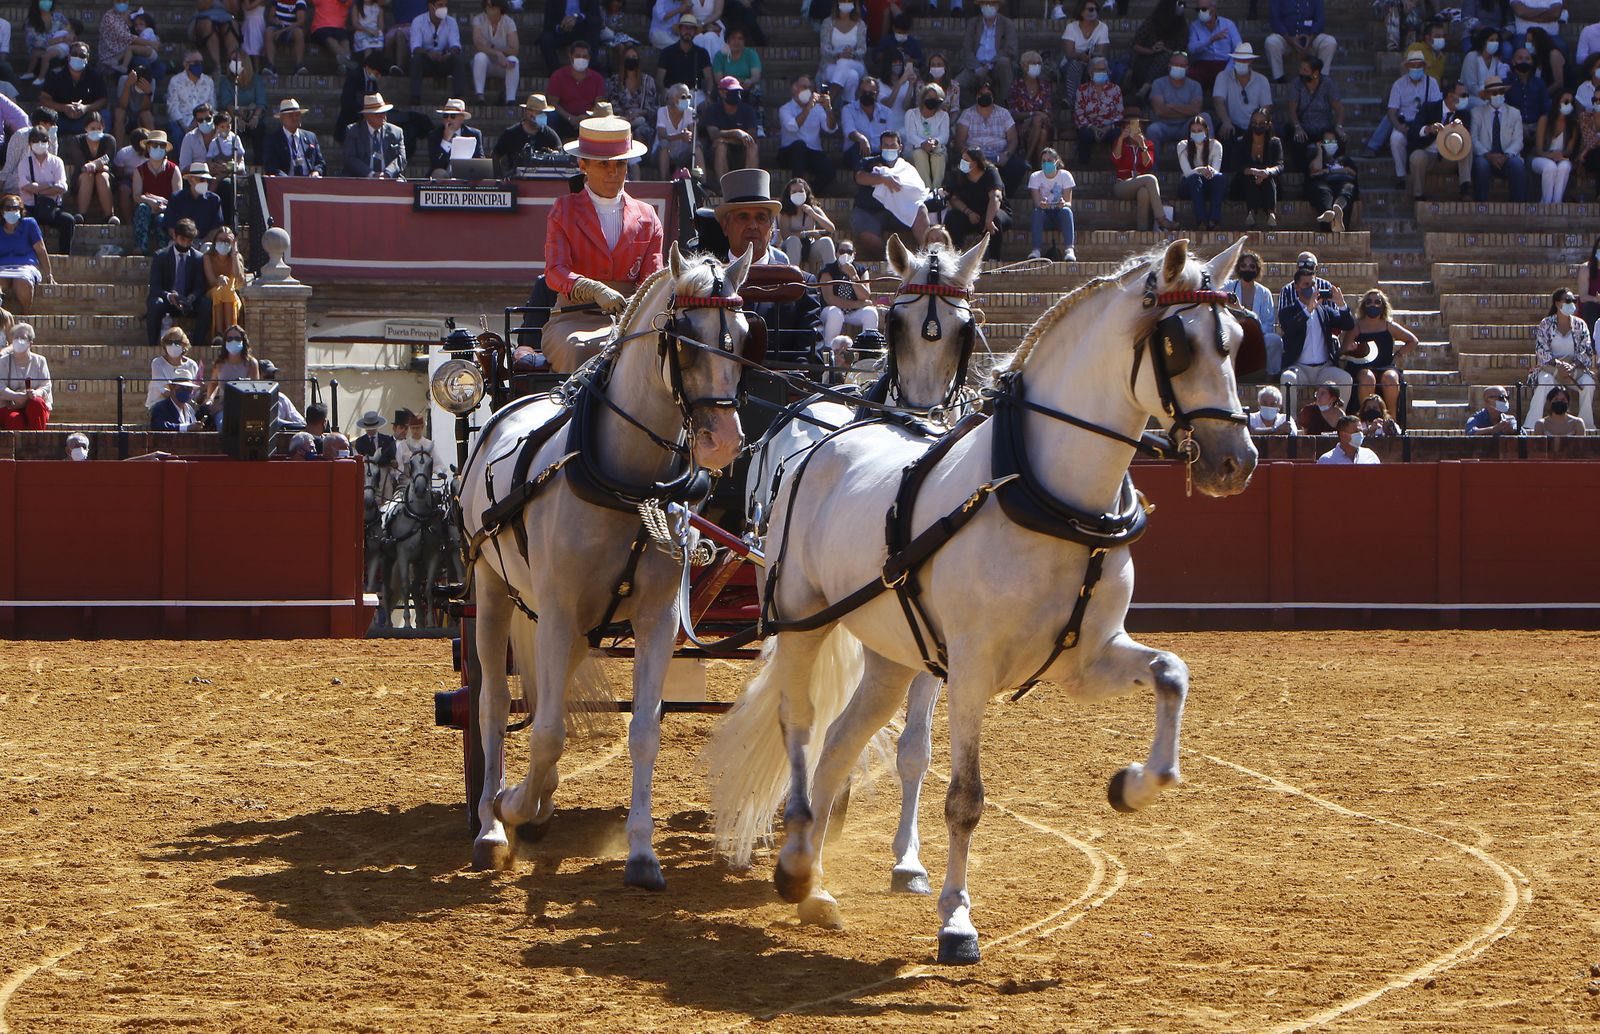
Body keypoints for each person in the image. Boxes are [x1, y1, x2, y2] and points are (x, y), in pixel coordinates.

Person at [533, 115, 661, 373]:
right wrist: (593, 289)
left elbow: (653, 278)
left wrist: (636, 305)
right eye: (604, 164)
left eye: (621, 164)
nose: (614, 173)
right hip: (572, 319)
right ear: (583, 165)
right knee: (576, 349)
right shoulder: (563, 210)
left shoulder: (648, 216)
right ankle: (572, 414)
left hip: (631, 322)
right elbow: (554, 271)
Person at [712, 167, 822, 365]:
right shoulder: (706, 283)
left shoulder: (802, 284)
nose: (753, 225)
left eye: (761, 218)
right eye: (743, 217)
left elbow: (809, 356)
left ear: (772, 228)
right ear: (725, 226)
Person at [1279, 257, 1354, 394]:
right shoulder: (1288, 311)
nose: (1310, 288)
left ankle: (1338, 415)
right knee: (1287, 379)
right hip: (1299, 368)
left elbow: (1348, 324)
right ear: (1296, 286)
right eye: (1305, 284)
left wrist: (1341, 304)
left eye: (1312, 284)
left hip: (1324, 369)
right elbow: (1289, 327)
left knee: (1345, 379)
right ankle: (1289, 415)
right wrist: (1307, 310)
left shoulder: (1324, 310)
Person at [851, 129, 927, 259]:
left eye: (892, 145)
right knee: (866, 237)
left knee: (920, 209)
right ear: (880, 147)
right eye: (886, 145)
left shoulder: (907, 167)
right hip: (870, 211)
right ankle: (893, 259)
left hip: (899, 212)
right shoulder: (869, 162)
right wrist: (883, 179)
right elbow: (860, 178)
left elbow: (917, 190)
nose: (889, 148)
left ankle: (928, 255)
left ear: (900, 147)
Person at [1526, 287, 1596, 429]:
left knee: (1589, 383)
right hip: (1551, 369)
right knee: (1545, 382)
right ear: (1558, 304)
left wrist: (1572, 366)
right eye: (1569, 300)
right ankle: (1531, 426)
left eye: (1574, 300)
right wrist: (1559, 365)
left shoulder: (1580, 324)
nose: (1572, 303)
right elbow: (1541, 350)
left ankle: (1586, 426)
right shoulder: (1546, 323)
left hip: (1573, 370)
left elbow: (1586, 350)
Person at [1342, 288, 1416, 419]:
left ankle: (1391, 420)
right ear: (1364, 305)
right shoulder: (1356, 326)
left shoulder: (1388, 325)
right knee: (1367, 378)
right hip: (1361, 367)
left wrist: (1397, 356)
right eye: (1369, 302)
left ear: (1383, 305)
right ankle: (1364, 419)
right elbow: (1343, 351)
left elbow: (1413, 340)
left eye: (1377, 302)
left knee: (1391, 378)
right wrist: (1352, 349)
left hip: (1385, 365)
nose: (1373, 305)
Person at [951, 78, 1027, 196]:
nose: (984, 96)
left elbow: (1013, 139)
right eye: (981, 94)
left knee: (1018, 167)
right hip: (974, 158)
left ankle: (1003, 196)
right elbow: (960, 140)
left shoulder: (1004, 114)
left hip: (999, 156)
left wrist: (1006, 155)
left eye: (988, 94)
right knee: (959, 168)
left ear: (993, 97)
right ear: (976, 96)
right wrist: (969, 156)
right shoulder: (967, 113)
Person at [146, 218, 211, 348]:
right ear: (175, 236)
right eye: (182, 240)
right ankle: (152, 345)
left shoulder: (198, 258)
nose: (185, 245)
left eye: (189, 241)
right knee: (155, 303)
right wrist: (169, 296)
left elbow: (199, 287)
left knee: (206, 303)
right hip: (167, 302)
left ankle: (197, 344)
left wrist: (191, 298)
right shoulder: (161, 256)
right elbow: (154, 287)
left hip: (188, 302)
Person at [12, 126, 75, 254]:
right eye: (35, 141)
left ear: (49, 142)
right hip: (31, 207)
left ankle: (64, 255)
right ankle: (24, 255)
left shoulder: (57, 162)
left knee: (68, 220)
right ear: (30, 143)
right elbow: (24, 186)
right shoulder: (24, 163)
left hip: (52, 207)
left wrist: (37, 189)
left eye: (43, 140)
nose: (39, 144)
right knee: (21, 221)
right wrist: (50, 185)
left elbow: (62, 187)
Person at [1408, 79, 1473, 200]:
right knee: (1417, 157)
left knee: (1467, 146)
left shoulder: (1465, 114)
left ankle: (1465, 188)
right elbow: (1413, 131)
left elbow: (1466, 137)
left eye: (1466, 95)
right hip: (1429, 156)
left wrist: (1458, 132)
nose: (1465, 98)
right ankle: (1418, 196)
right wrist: (1428, 129)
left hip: (1450, 157)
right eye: (1463, 95)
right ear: (1450, 95)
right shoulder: (1429, 108)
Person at [818, 240, 879, 361]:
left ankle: (868, 353)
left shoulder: (860, 270)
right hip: (830, 312)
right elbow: (830, 299)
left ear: (854, 254)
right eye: (842, 251)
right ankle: (828, 351)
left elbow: (865, 295)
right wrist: (859, 304)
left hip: (852, 313)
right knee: (836, 313)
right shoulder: (827, 271)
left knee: (871, 312)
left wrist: (853, 276)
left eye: (849, 252)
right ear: (836, 254)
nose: (845, 255)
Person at [943, 146, 1008, 260]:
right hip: (970, 214)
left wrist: (988, 220)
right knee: (952, 217)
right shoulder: (958, 174)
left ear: (976, 162)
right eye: (962, 159)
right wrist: (968, 212)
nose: (963, 163)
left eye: (967, 160)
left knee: (995, 220)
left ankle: (994, 258)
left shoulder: (990, 172)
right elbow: (953, 198)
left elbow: (996, 197)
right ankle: (955, 257)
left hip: (991, 212)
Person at [1471, 75, 1529, 201]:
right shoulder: (1477, 113)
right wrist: (1488, 155)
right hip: (1485, 157)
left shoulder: (1514, 113)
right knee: (1480, 165)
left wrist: (1506, 155)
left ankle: (1518, 209)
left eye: (1501, 92)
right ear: (1487, 95)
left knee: (1517, 165)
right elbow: (1473, 139)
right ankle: (1481, 207)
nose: (1498, 95)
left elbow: (1518, 140)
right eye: (1494, 92)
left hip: (1507, 157)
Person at [1225, 249, 1282, 375]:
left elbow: (1268, 323)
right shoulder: (1228, 287)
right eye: (1244, 266)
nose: (1247, 269)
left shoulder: (1264, 293)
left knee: (1275, 340)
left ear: (1257, 270)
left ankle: (1272, 377)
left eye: (1252, 266)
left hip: (1257, 336)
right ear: (1238, 268)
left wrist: (1254, 334)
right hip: (1233, 335)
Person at [1112, 115, 1173, 231]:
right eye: (1128, 127)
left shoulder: (1148, 144)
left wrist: (1142, 145)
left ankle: (1143, 231)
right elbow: (1115, 159)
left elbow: (1148, 165)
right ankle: (1161, 219)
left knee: (1144, 192)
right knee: (1151, 178)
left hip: (1141, 184)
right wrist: (1121, 138)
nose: (1132, 130)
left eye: (1136, 127)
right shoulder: (1120, 142)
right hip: (1122, 185)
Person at [777, 74, 835, 192]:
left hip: (812, 153)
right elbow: (793, 127)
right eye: (804, 87)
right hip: (789, 153)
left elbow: (831, 128)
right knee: (799, 145)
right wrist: (808, 108)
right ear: (794, 88)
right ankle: (796, 190)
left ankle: (808, 195)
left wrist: (828, 109)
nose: (808, 91)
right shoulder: (785, 109)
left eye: (810, 88)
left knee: (829, 171)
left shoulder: (818, 109)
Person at [1228, 107, 1282, 229]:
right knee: (1249, 179)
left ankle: (1271, 213)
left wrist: (1266, 172)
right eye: (1255, 122)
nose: (1257, 125)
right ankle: (1251, 213)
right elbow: (1237, 165)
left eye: (1262, 123)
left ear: (1268, 125)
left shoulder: (1275, 143)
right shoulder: (1241, 142)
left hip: (1267, 182)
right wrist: (1253, 171)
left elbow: (1280, 165)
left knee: (1268, 179)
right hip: (1245, 183)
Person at [1287, 56, 1345, 171]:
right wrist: (1298, 127)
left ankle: (1335, 166)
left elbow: (1339, 108)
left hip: (1324, 125)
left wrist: (1339, 126)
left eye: (1305, 70)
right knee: (1297, 138)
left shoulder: (1328, 83)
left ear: (1315, 73)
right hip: (1304, 125)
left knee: (1339, 139)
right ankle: (1302, 170)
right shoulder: (1296, 83)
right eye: (1301, 69)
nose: (1301, 72)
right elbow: (1292, 109)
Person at [700, 75, 758, 184]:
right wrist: (737, 133)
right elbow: (713, 134)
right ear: (721, 92)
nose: (736, 94)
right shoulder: (713, 110)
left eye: (738, 91)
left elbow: (752, 136)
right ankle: (725, 187)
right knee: (721, 146)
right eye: (732, 91)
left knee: (752, 146)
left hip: (740, 151)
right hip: (717, 154)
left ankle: (749, 187)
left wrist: (728, 139)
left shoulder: (748, 110)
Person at [39, 41, 105, 136]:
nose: (78, 57)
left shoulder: (95, 76)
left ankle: (99, 146)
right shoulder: (54, 74)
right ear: (69, 56)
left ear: (87, 58)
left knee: (105, 114)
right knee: (41, 114)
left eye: (82, 55)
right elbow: (44, 99)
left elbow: (103, 100)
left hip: (86, 119)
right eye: (74, 54)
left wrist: (85, 108)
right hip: (59, 118)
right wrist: (64, 108)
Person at [1148, 53, 1206, 162]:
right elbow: (1159, 111)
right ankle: (1152, 170)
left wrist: (1171, 106)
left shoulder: (1195, 85)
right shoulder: (1158, 83)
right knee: (1152, 130)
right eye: (1176, 64)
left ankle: (1204, 164)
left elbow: (1196, 110)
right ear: (1169, 66)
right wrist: (1186, 109)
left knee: (1204, 117)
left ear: (1187, 68)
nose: (1179, 67)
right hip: (1163, 125)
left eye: (1182, 65)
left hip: (1186, 126)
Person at [1126, 0, 1187, 103]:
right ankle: (1136, 83)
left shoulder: (1182, 27)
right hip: (1145, 62)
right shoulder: (1151, 22)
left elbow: (1180, 54)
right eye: (1179, 4)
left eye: (1183, 4)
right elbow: (1135, 46)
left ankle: (1144, 90)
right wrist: (1151, 50)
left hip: (1166, 66)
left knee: (1165, 56)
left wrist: (1164, 49)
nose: (1182, 7)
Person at [1266, 0, 1338, 84]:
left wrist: (1311, 38)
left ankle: (1321, 78)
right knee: (1271, 42)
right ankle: (1279, 78)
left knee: (1330, 42)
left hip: (1311, 39)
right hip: (1287, 39)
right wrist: (1289, 39)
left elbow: (1320, 19)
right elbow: (1275, 20)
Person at [409, 0, 465, 105]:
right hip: (426, 61)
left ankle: (459, 98)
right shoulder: (418, 21)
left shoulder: (451, 22)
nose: (444, 8)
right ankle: (415, 97)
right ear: (431, 6)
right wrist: (429, 54)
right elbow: (415, 47)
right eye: (440, 5)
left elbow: (456, 46)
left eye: (445, 5)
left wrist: (447, 55)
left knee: (458, 59)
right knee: (416, 59)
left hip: (444, 60)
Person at [203, 324, 261, 426]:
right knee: (223, 425)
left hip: (244, 409)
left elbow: (255, 393)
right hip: (222, 411)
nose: (233, 341)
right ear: (225, 342)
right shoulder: (219, 364)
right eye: (229, 338)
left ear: (243, 341)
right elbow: (213, 384)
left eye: (237, 338)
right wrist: (209, 401)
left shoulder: (251, 364)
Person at [1058, 1, 1109, 116]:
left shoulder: (1102, 27)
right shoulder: (1071, 27)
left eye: (1096, 9)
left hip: (1091, 61)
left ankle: (1102, 99)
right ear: (1081, 11)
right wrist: (1081, 56)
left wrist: (1090, 57)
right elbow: (1069, 53)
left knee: (1099, 63)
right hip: (1072, 62)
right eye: (1090, 9)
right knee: (1075, 64)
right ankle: (1070, 99)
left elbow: (1101, 52)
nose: (1094, 12)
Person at [957, 3, 1016, 101]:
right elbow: (967, 49)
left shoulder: (1007, 23)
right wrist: (978, 68)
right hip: (976, 66)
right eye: (985, 3)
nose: (988, 6)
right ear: (980, 6)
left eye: (992, 3)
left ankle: (1005, 105)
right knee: (957, 85)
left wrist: (988, 66)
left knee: (1004, 62)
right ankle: (975, 108)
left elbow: (1010, 49)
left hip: (996, 65)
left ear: (997, 6)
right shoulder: (974, 23)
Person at [1213, 44, 1272, 143]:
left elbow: (1266, 107)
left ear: (1251, 61)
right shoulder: (1223, 76)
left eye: (1245, 60)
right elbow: (1218, 100)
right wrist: (1226, 121)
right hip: (1232, 125)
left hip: (1255, 126)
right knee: (1225, 133)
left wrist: (1257, 125)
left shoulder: (1262, 80)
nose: (1241, 62)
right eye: (1238, 60)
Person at [343, 93, 406, 179]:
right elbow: (350, 159)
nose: (383, 116)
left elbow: (401, 158)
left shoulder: (396, 132)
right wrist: (371, 174)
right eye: (378, 113)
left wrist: (387, 174)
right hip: (362, 178)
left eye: (384, 112)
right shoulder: (353, 131)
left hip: (390, 178)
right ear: (366, 115)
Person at [1028, 147, 1075, 262]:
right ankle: (1036, 250)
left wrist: (1063, 204)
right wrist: (1041, 204)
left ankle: (1069, 249)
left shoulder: (1065, 175)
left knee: (1066, 211)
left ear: (1056, 161)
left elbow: (1069, 203)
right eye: (1043, 161)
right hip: (1045, 215)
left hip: (1060, 213)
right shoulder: (1035, 177)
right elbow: (1036, 202)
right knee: (1036, 212)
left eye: (1049, 160)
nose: (1046, 163)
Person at [1307, 128, 1358, 232]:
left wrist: (1327, 171)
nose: (1330, 144)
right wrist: (1320, 152)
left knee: (1348, 189)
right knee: (1322, 190)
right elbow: (1315, 170)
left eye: (1333, 141)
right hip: (1324, 182)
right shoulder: (1316, 158)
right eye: (1327, 141)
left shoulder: (1344, 159)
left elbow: (1353, 172)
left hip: (1342, 182)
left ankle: (1338, 208)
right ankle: (1328, 213)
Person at [1178, 114, 1224, 230]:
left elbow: (1216, 170)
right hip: (1189, 185)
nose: (1196, 133)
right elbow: (1188, 173)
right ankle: (1201, 221)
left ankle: (1214, 220)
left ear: (1206, 130)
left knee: (1220, 178)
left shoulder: (1216, 145)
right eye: (1193, 131)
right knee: (1194, 178)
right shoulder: (1183, 145)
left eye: (1199, 130)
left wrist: (1209, 170)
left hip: (1208, 182)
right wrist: (1200, 170)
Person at [0, 321, 49, 429]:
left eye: (22, 337)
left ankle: (38, 440)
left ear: (30, 343)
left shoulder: (40, 361)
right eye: (16, 337)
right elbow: (0, 386)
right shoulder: (3, 361)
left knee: (36, 403)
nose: (19, 340)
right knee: (14, 420)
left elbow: (46, 385)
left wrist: (36, 393)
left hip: (32, 404)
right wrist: (16, 396)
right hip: (11, 406)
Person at [495, 93, 561, 175]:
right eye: (538, 112)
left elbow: (559, 154)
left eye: (542, 113)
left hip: (543, 180)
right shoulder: (511, 133)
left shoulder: (550, 135)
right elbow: (496, 155)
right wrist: (499, 176)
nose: (541, 115)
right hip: (516, 179)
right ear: (528, 112)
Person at [780, 177, 836, 271]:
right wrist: (807, 233)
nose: (798, 194)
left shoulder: (813, 209)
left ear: (806, 192)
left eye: (801, 191)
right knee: (794, 240)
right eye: (794, 192)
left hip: (810, 246)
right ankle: (792, 277)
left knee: (827, 241)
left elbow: (831, 229)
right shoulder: (785, 212)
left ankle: (832, 277)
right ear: (789, 194)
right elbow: (785, 235)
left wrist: (813, 214)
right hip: (791, 248)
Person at [69, 110, 115, 224]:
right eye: (92, 128)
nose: (96, 131)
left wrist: (93, 165)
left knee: (102, 176)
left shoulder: (109, 140)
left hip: (105, 176)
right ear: (86, 128)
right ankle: (81, 214)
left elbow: (107, 158)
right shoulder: (77, 140)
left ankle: (110, 215)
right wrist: (98, 165)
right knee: (87, 176)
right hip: (82, 176)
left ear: (103, 127)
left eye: (99, 128)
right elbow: (82, 164)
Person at [1185, 0, 1242, 93]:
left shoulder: (1228, 24)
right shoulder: (1194, 26)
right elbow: (1191, 49)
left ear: (1214, 8)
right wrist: (1210, 40)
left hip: (1224, 63)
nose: (1200, 12)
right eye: (1198, 9)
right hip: (1203, 65)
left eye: (1204, 9)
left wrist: (1228, 70)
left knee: (1236, 74)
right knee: (1190, 74)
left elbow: (1239, 49)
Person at [842, 75, 895, 171]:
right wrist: (862, 139)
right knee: (858, 147)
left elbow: (890, 136)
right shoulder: (848, 110)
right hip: (856, 153)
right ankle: (862, 178)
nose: (867, 95)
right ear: (858, 93)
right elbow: (849, 131)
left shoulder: (887, 112)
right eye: (864, 92)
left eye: (871, 93)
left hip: (879, 153)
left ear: (877, 94)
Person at [608, 43, 656, 149]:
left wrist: (638, 113)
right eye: (628, 57)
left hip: (641, 119)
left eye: (634, 57)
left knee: (641, 130)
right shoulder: (615, 80)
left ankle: (637, 163)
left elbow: (652, 108)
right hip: (621, 119)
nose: (631, 59)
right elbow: (612, 104)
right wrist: (625, 116)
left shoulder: (648, 81)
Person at [471, 0, 519, 105]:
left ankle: (510, 99)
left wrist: (498, 52)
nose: (489, 8)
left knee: (513, 60)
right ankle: (480, 96)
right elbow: (478, 44)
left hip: (502, 65)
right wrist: (498, 53)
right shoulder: (478, 19)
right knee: (480, 57)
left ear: (500, 7)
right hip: (485, 65)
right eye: (487, 5)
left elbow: (515, 49)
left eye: (492, 6)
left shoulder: (508, 22)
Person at [1532, 90, 1576, 203]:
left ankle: (1557, 203)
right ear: (1557, 102)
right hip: (1541, 157)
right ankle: (1546, 204)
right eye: (1566, 101)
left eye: (1571, 102)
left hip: (1561, 158)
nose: (1569, 105)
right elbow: (1538, 150)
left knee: (1564, 167)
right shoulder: (1544, 120)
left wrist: (1561, 155)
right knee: (1550, 167)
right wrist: (1551, 155)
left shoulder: (1573, 125)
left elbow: (1569, 151)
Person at [902, 81, 947, 189]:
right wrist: (923, 144)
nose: (932, 100)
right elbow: (911, 135)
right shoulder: (911, 114)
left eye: (935, 98)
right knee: (919, 154)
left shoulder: (943, 115)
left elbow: (944, 136)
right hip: (916, 148)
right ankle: (927, 189)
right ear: (923, 98)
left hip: (936, 147)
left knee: (938, 154)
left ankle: (936, 189)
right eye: (929, 97)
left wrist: (934, 142)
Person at [263, 99, 325, 176]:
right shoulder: (273, 140)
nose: (295, 118)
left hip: (309, 182)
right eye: (290, 115)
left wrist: (317, 171)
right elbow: (270, 166)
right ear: (282, 119)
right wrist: (288, 180)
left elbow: (320, 163)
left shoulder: (310, 137)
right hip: (285, 183)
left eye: (297, 115)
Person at [162, 162, 224, 240]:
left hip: (204, 243)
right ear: (190, 180)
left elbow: (216, 228)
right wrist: (182, 242)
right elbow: (170, 226)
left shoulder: (214, 200)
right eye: (201, 179)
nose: (205, 182)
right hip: (179, 242)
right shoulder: (176, 198)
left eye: (207, 180)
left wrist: (202, 242)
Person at [145, 326, 201, 410]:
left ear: (184, 344)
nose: (173, 345)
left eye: (177, 342)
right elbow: (164, 390)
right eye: (169, 342)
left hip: (185, 407)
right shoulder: (157, 363)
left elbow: (194, 389)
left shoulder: (192, 365)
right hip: (159, 406)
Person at [204, 225, 245, 335]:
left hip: (231, 294)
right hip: (213, 292)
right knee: (220, 291)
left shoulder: (236, 257)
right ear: (215, 241)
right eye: (220, 240)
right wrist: (219, 280)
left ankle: (228, 332)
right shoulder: (208, 257)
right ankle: (219, 332)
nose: (223, 243)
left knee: (228, 291)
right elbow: (211, 281)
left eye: (227, 240)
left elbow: (239, 278)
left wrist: (234, 253)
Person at [426, 97, 482, 177]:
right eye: (446, 116)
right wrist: (445, 140)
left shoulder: (474, 134)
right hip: (444, 173)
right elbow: (435, 164)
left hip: (466, 173)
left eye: (452, 116)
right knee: (439, 173)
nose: (448, 119)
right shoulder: (434, 134)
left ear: (462, 118)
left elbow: (479, 159)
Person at [658, 14, 711, 98]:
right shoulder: (667, 52)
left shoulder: (702, 53)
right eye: (685, 28)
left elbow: (709, 78)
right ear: (679, 30)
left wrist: (709, 95)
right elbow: (659, 79)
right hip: (672, 92)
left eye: (691, 28)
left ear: (695, 31)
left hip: (694, 94)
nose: (688, 31)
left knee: (705, 106)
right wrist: (664, 93)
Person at [540, 0, 600, 74]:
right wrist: (560, 27)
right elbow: (548, 23)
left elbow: (596, 17)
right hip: (562, 30)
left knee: (593, 26)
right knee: (546, 39)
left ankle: (591, 70)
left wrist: (578, 17)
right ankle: (557, 74)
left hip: (583, 30)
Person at [654, 81, 699, 179]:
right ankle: (664, 181)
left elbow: (694, 136)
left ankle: (703, 182)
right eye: (683, 97)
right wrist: (680, 136)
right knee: (664, 144)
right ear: (674, 99)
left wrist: (690, 135)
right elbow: (661, 136)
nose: (687, 100)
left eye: (688, 97)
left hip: (682, 154)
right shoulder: (662, 111)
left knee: (697, 145)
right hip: (663, 153)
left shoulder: (690, 111)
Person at [712, 26, 762, 108]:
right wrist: (734, 84)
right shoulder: (720, 56)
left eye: (740, 38)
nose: (736, 42)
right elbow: (719, 80)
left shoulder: (751, 54)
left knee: (756, 90)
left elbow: (756, 76)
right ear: (727, 40)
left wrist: (749, 81)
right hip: (727, 88)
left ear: (744, 41)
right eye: (733, 38)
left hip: (747, 88)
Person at [1463, 25, 1510, 110]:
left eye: (1496, 41)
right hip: (1472, 97)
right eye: (1491, 40)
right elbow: (1470, 85)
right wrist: (1484, 95)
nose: (1494, 43)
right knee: (1487, 106)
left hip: (1491, 96)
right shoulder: (1471, 57)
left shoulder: (1496, 60)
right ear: (1484, 41)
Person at [353, 410, 399, 493]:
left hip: (384, 472)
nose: (370, 430)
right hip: (368, 473)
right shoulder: (360, 441)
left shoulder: (387, 439)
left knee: (387, 487)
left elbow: (392, 457)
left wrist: (392, 462)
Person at [264, 0, 309, 76]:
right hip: (278, 27)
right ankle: (271, 67)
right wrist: (275, 20)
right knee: (268, 32)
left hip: (292, 28)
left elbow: (301, 21)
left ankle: (299, 66)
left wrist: (283, 30)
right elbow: (270, 17)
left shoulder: (300, 1)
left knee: (299, 33)